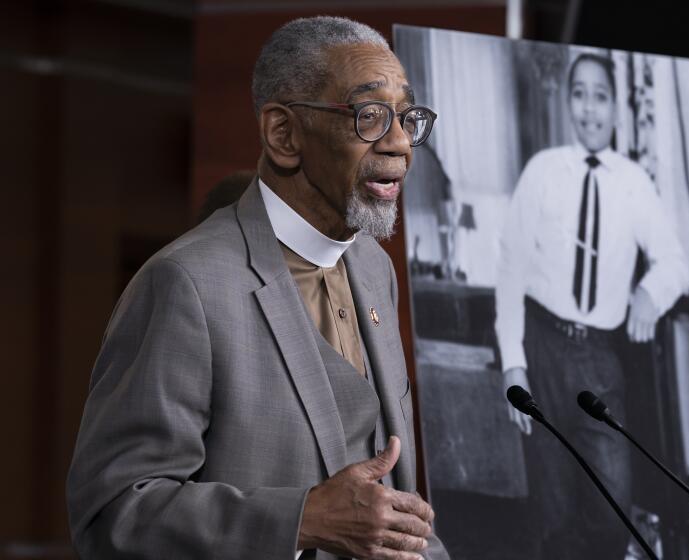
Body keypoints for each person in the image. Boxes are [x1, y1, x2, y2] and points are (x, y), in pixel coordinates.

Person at [66, 16, 447, 560]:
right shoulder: (186, 284)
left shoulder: (373, 266)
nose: (399, 143)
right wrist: (302, 520)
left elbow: (390, 509)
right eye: (369, 116)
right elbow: (114, 515)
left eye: (407, 117)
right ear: (283, 134)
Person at [495, 52, 689, 558]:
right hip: (540, 348)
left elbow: (675, 263)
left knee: (612, 508)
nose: (589, 108)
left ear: (616, 109)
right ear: (568, 102)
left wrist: (650, 293)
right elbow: (510, 269)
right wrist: (514, 364)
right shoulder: (542, 172)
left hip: (600, 358)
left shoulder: (633, 183)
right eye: (579, 94)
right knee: (551, 509)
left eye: (600, 96)